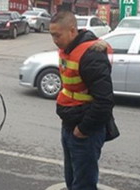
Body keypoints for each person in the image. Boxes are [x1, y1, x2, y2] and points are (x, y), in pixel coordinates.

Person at [49, 11, 114, 190]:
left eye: (57, 35)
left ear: (72, 31)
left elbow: (104, 102)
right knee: (72, 179)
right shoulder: (67, 50)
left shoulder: (91, 55)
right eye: (51, 35)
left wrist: (83, 130)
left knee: (83, 183)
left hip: (85, 131)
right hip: (70, 123)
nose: (54, 40)